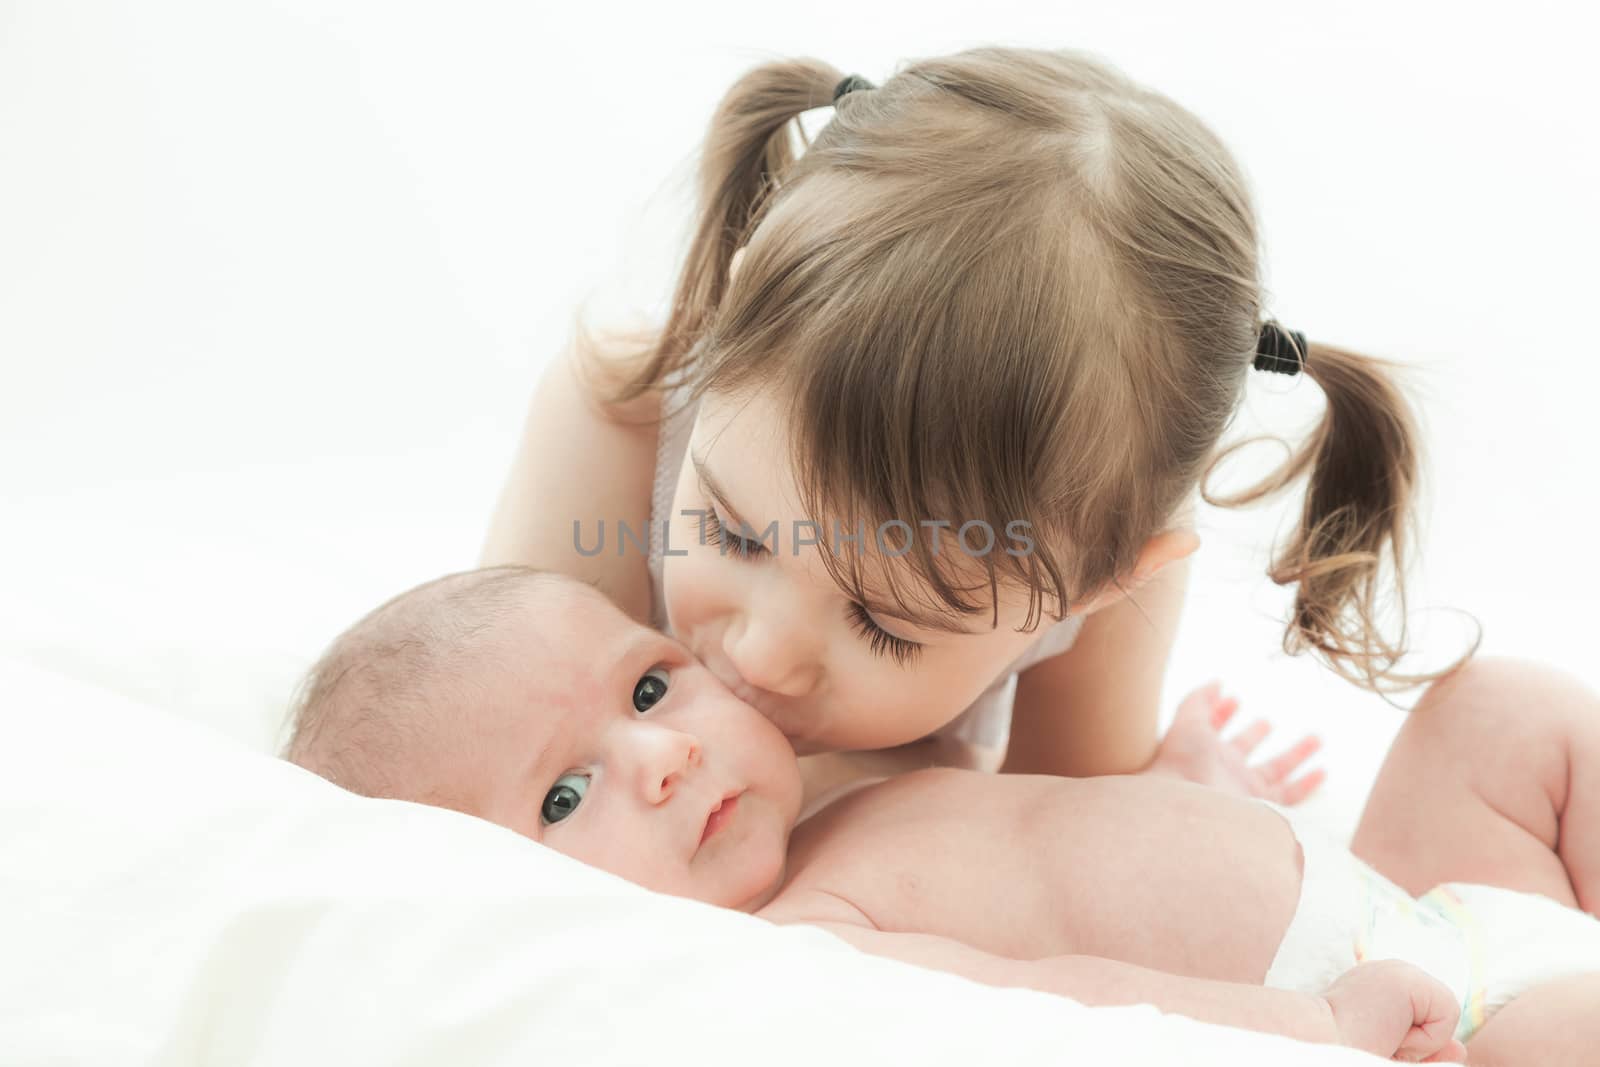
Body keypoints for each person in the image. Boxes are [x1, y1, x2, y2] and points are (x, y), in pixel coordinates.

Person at [480, 45, 1473, 808]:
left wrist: (1155, 797)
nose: (768, 654)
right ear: (732, 310)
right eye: (733, 535)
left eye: (884, 620)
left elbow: (1045, 832)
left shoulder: (1105, 573)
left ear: (1098, 584)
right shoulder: (621, 411)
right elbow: (486, 738)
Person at [284, 567, 1600, 1063]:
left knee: (1502, 710)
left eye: (648, 684)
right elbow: (1064, 1003)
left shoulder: (853, 783)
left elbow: (1065, 854)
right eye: (566, 792)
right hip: (1433, 1021)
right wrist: (1314, 1028)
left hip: (1410, 905)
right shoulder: (806, 944)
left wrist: (1192, 798)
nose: (663, 755)